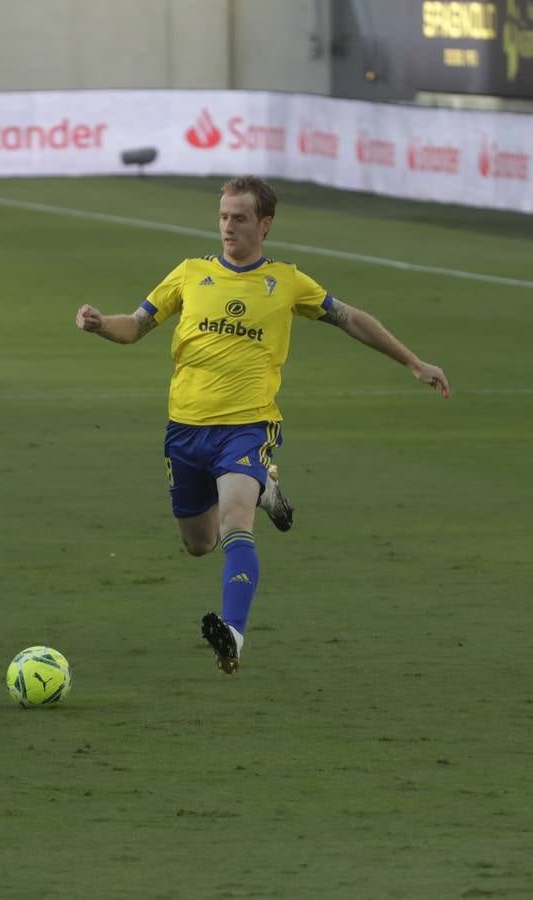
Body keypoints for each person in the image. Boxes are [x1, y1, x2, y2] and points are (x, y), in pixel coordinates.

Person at [75, 175, 451, 675]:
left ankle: (231, 636)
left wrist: (412, 361)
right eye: (223, 217)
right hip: (184, 431)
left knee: (234, 523)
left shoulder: (288, 282)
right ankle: (267, 491)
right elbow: (136, 326)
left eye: (240, 218)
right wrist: (102, 325)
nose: (228, 227)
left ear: (265, 224)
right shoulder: (189, 273)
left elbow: (351, 318)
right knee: (199, 544)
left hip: (247, 427)